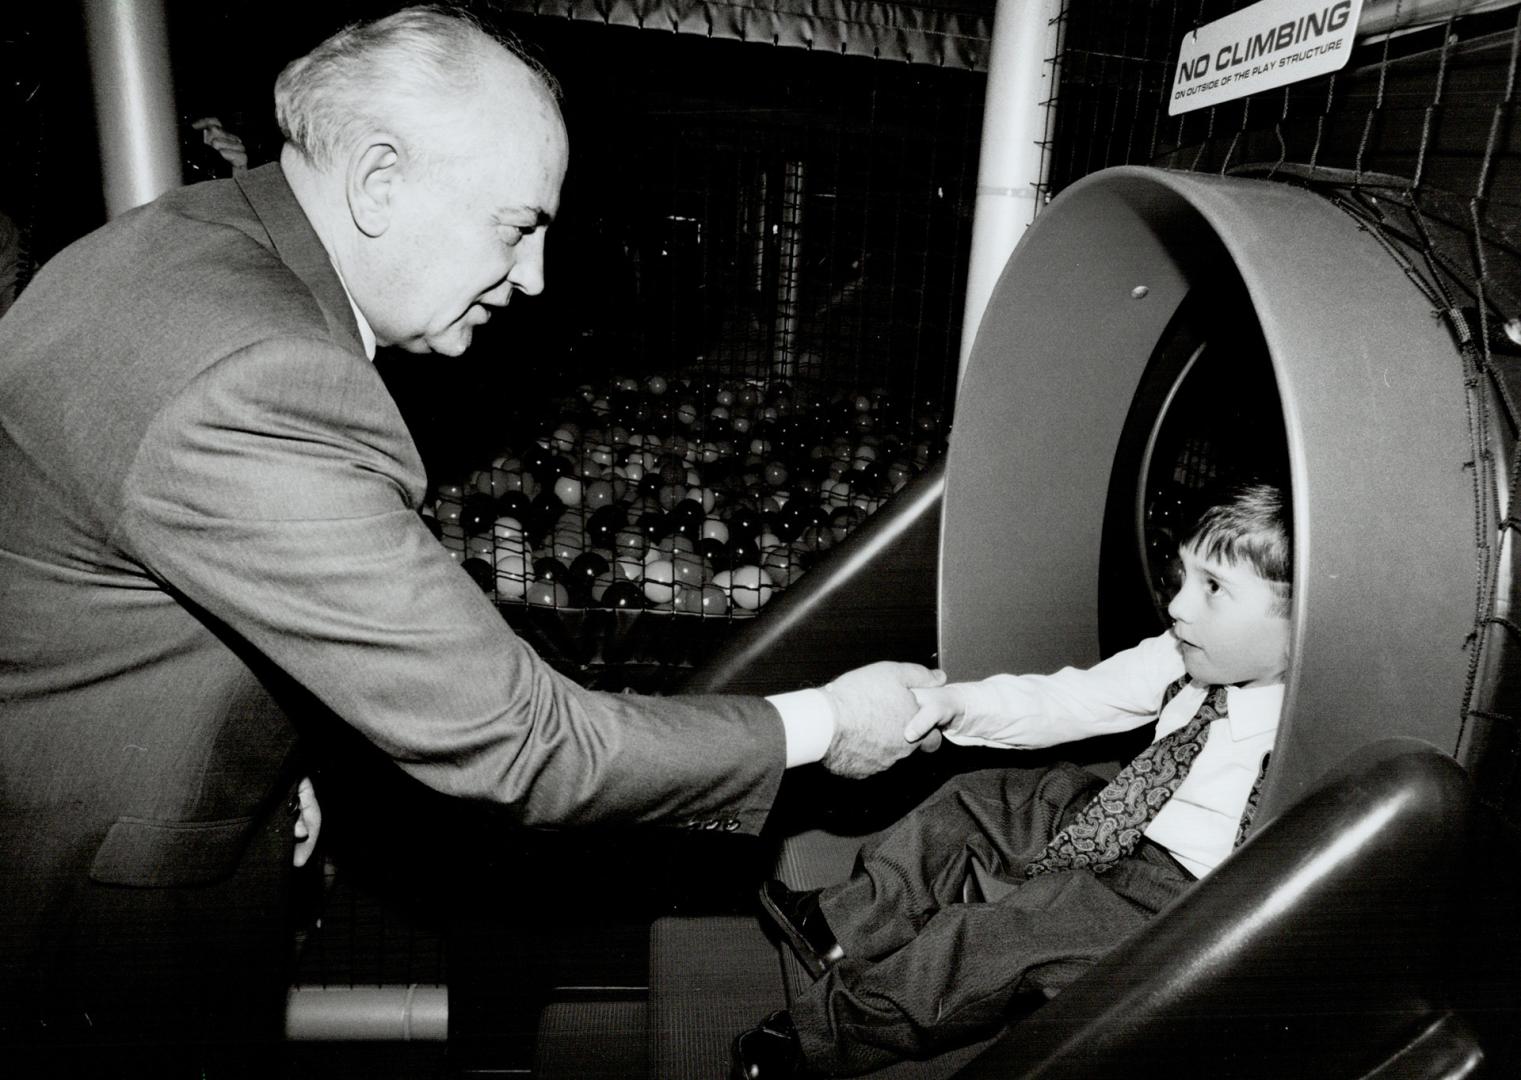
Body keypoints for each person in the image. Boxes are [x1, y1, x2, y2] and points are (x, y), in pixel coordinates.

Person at [0, 7, 944, 1075]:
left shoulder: (180, 243)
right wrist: (820, 722)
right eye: (514, 225)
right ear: (381, 182)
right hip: (83, 918)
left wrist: (273, 761)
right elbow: (524, 743)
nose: (533, 276)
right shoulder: (261, 375)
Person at [733, 482, 1293, 1078]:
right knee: (990, 799)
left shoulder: (1310, 725)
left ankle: (824, 1038)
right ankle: (843, 926)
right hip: (1128, 817)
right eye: (1183, 576)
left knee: (1000, 939)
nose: (1179, 604)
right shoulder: (1180, 654)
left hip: (1183, 897)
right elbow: (1073, 697)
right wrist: (957, 704)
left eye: (1213, 588)